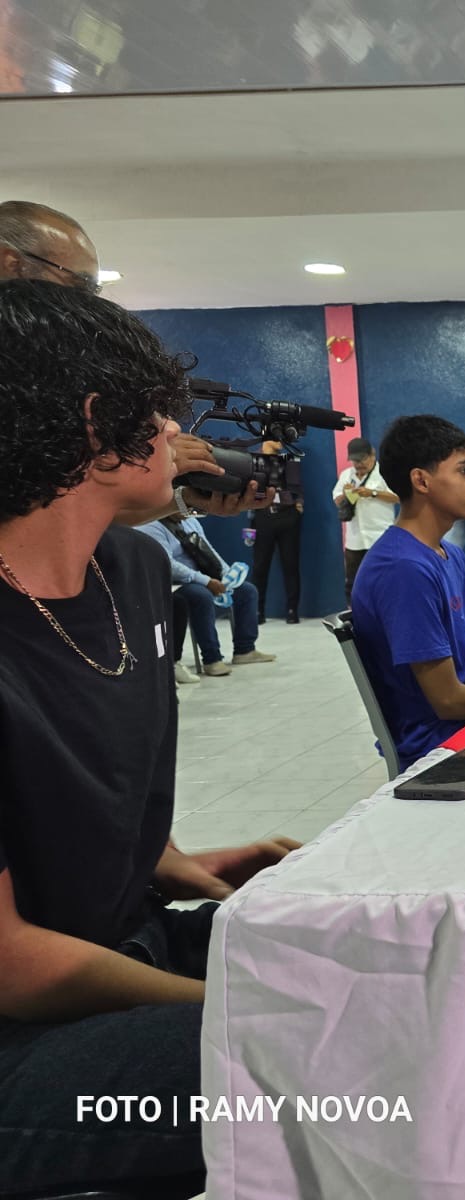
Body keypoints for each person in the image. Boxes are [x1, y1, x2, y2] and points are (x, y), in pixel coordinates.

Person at [0, 279, 298, 1193]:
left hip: (125, 941)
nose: (177, 436)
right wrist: (230, 1013)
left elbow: (72, 781)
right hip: (23, 1034)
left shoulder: (129, 569)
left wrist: (169, 860)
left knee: (369, 958)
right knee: (332, 1075)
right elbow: (12, 966)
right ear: (99, 425)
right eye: (162, 417)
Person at [0, 199, 275, 525]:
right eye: (80, 284)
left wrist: (182, 499)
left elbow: (64, 519)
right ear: (10, 264)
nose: (89, 303)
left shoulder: (50, 365)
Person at [351, 416, 465, 771]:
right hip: (437, 742)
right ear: (421, 480)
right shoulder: (403, 569)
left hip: (463, 723)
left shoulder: (449, 555)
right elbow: (448, 700)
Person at [136, 516, 277, 677]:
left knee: (247, 591)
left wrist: (225, 574)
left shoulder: (190, 521)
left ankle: (245, 650)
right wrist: (206, 581)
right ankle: (212, 659)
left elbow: (208, 549)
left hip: (204, 576)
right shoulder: (151, 526)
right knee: (201, 597)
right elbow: (169, 565)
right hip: (177, 582)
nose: (187, 513)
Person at [332, 437, 398, 604]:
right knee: (353, 581)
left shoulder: (384, 473)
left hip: (380, 536)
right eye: (355, 461)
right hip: (355, 539)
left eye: (362, 460)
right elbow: (336, 499)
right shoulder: (347, 475)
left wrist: (372, 493)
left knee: (384, 579)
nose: (358, 464)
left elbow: (397, 497)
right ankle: (354, 613)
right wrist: (347, 495)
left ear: (372, 455)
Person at [248, 440, 303, 623]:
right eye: (276, 437)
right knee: (260, 566)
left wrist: (296, 504)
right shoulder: (252, 461)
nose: (281, 441)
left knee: (291, 564)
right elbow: (249, 493)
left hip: (288, 518)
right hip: (262, 518)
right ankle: (258, 612)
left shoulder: (289, 460)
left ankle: (292, 610)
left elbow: (295, 491)